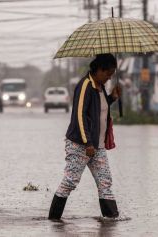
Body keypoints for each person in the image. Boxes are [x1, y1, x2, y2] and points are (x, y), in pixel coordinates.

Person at [48, 53, 121, 220]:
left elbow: (98, 110)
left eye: (111, 75)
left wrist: (112, 98)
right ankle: (53, 221)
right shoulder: (85, 86)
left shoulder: (100, 87)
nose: (109, 78)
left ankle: (111, 221)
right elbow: (80, 115)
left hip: (98, 146)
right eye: (108, 74)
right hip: (80, 144)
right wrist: (88, 143)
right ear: (99, 70)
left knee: (105, 183)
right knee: (70, 181)